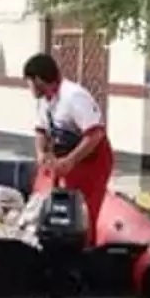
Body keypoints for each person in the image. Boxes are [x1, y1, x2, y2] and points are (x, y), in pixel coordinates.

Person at [24, 52, 114, 240]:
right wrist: (41, 152)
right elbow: (41, 130)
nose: (28, 87)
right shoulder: (44, 102)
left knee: (85, 209)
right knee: (60, 204)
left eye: (29, 81)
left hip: (92, 160)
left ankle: (87, 247)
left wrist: (71, 160)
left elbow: (95, 133)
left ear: (39, 79)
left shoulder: (74, 96)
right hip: (65, 157)